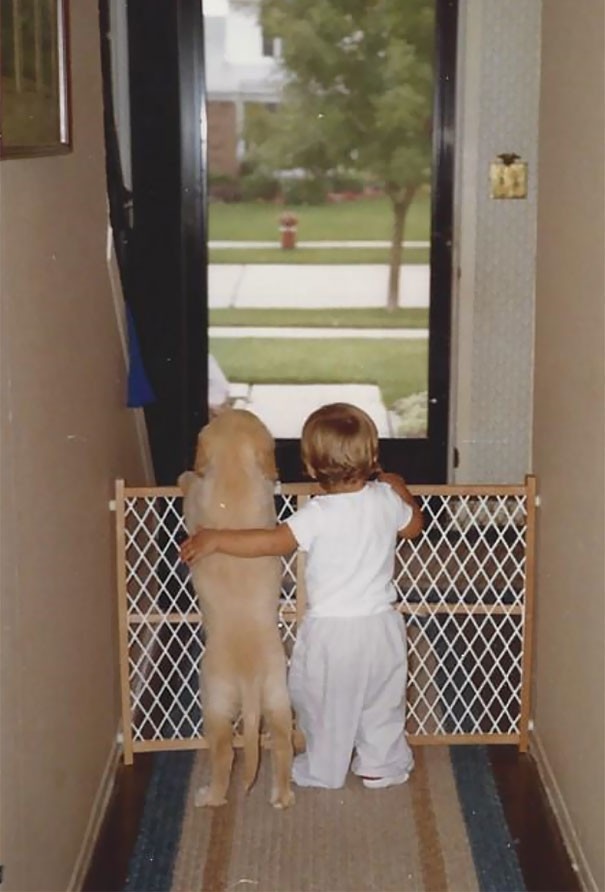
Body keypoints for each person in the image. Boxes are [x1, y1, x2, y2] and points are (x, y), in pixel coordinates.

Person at [180, 402, 423, 790]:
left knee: (323, 701)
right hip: (383, 629)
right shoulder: (385, 500)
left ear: (310, 467)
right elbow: (414, 528)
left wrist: (216, 539)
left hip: (332, 634)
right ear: (373, 456)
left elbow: (270, 542)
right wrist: (401, 489)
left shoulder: (319, 513)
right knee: (383, 701)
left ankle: (323, 768)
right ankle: (382, 764)